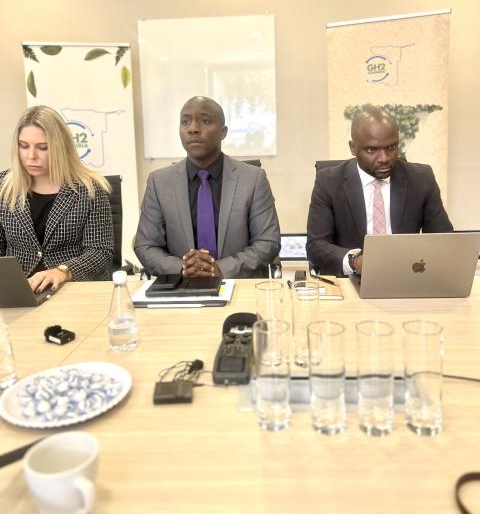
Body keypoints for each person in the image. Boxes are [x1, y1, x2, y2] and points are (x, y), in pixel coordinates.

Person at [135, 96, 281, 278]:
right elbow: (146, 245)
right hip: (179, 289)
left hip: (238, 285)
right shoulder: (159, 182)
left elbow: (268, 242)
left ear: (223, 131)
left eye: (204, 121)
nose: (193, 129)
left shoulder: (253, 179)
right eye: (185, 122)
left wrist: (219, 269)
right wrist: (182, 268)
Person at [307, 106, 453, 276]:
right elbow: (316, 246)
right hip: (352, 280)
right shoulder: (329, 182)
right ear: (353, 148)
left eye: (391, 147)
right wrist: (355, 261)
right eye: (372, 150)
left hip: (408, 276)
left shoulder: (421, 178)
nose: (384, 158)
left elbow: (443, 240)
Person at [0, 105, 114, 292]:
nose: (31, 156)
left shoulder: (89, 189)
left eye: (42, 148)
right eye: (23, 146)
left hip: (72, 290)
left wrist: (63, 271)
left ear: (60, 147)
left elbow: (100, 252)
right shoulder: (3, 187)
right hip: (20, 292)